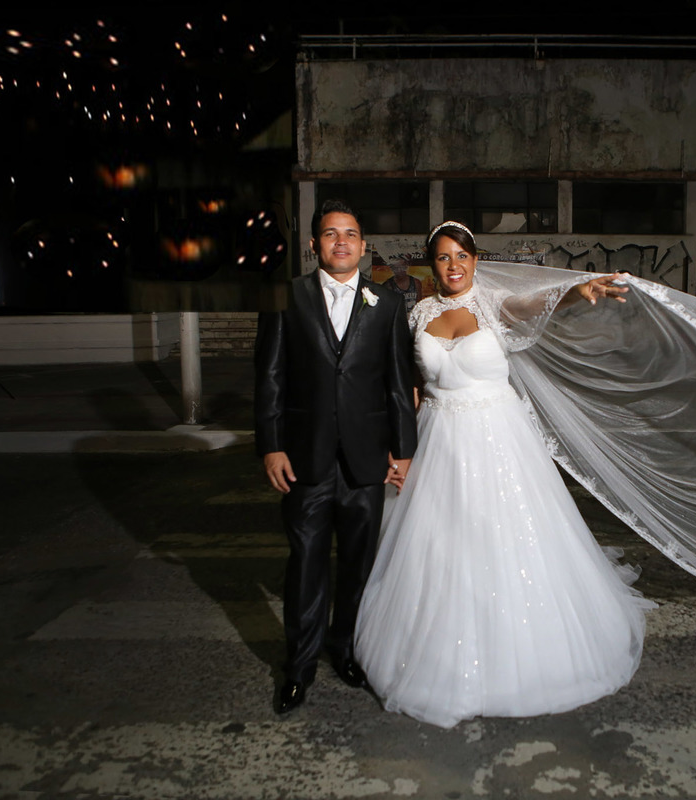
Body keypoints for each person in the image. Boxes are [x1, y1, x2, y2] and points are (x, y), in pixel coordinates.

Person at [354, 221, 653, 728]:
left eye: (461, 256)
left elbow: (538, 305)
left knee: (507, 539)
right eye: (443, 258)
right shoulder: (421, 312)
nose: (453, 266)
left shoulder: (495, 303)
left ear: (475, 258)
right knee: (438, 546)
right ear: (433, 264)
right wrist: (401, 448)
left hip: (495, 437)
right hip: (437, 439)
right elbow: (414, 385)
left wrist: (577, 292)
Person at [255, 199, 418, 715]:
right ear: (314, 244)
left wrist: (404, 451)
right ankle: (298, 669)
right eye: (330, 234)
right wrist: (271, 444)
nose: (341, 242)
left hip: (366, 461)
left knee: (358, 566)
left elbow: (398, 384)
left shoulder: (388, 304)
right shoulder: (287, 298)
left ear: (364, 245)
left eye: (350, 233)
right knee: (305, 564)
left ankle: (345, 649)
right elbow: (270, 377)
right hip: (304, 457)